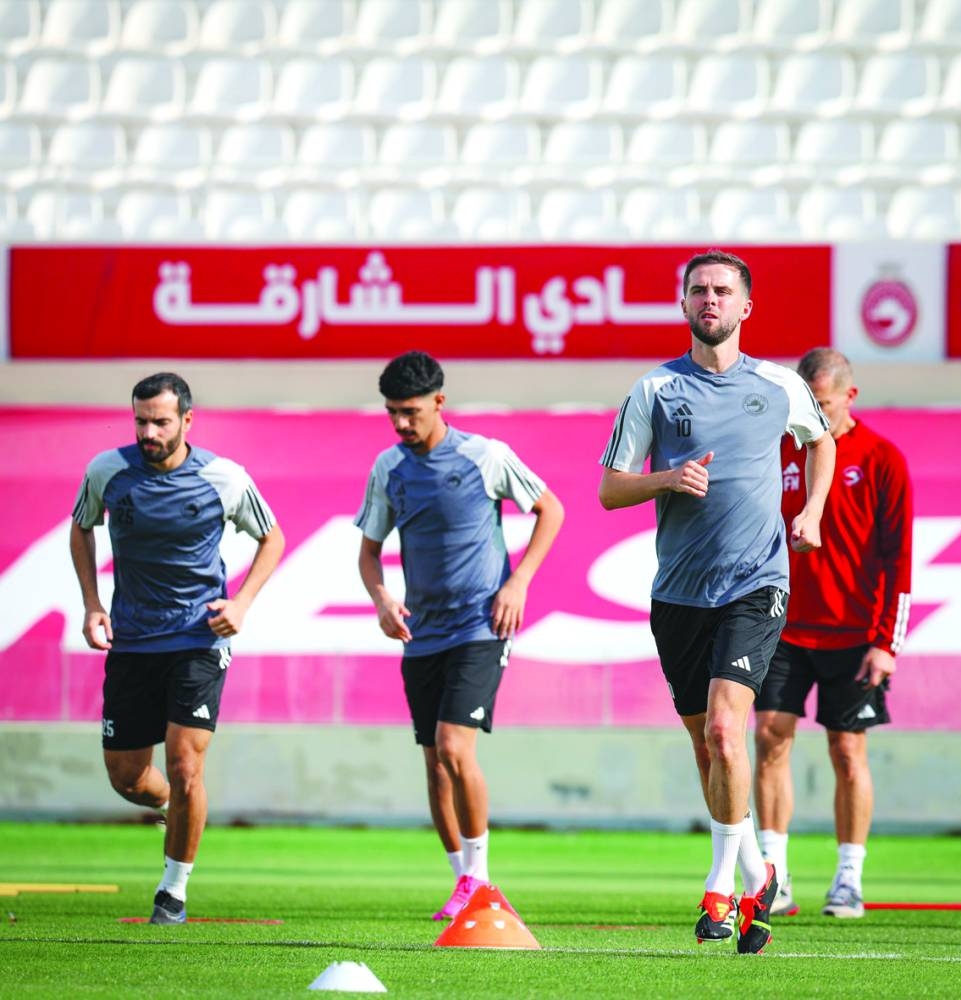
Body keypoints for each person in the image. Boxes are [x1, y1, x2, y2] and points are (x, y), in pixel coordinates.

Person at [598, 250, 835, 955]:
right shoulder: (653, 390)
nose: (710, 299)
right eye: (699, 289)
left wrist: (812, 510)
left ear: (745, 307)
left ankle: (718, 887)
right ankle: (759, 875)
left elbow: (820, 443)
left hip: (756, 583)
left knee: (730, 734)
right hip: (678, 594)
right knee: (710, 749)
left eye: (723, 290)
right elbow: (610, 488)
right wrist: (666, 478)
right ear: (683, 304)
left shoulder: (780, 384)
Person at [69, 372, 285, 925]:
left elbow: (272, 537)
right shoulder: (107, 471)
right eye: (140, 421)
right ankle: (174, 806)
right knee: (128, 778)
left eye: (161, 422)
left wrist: (241, 603)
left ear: (187, 420)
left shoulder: (223, 478)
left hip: (198, 638)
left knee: (186, 762)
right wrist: (92, 603)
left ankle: (173, 892)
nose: (149, 432)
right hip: (132, 640)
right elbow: (81, 527)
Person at [355, 350, 564, 921]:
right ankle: (462, 881)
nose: (401, 423)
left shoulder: (484, 456)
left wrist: (518, 583)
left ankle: (481, 878)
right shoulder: (388, 469)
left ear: (439, 402)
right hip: (421, 632)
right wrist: (382, 599)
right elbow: (369, 552)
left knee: (453, 747)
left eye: (411, 411)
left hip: (480, 625)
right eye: (393, 412)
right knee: (434, 762)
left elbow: (550, 510)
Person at [754, 348, 913, 920]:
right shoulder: (779, 449)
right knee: (769, 738)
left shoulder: (882, 459)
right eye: (806, 403)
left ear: (850, 396)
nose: (813, 414)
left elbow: (899, 560)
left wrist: (886, 643)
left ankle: (848, 878)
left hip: (855, 634)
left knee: (847, 750)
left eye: (822, 403)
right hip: (781, 626)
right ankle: (774, 878)